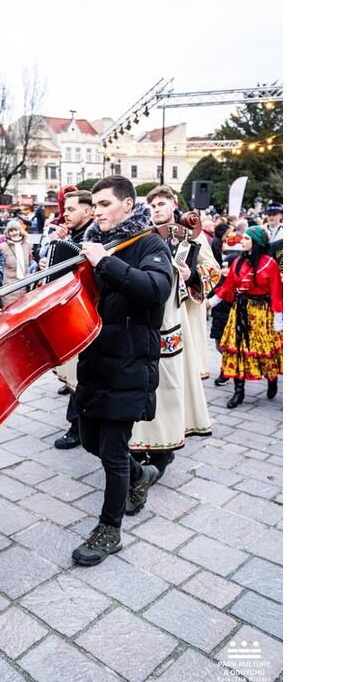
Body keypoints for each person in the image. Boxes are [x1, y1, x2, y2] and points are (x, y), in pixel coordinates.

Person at [71, 176, 173, 566]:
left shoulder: (150, 244)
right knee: (90, 441)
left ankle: (109, 529)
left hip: (130, 363)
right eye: (93, 205)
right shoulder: (101, 244)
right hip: (96, 360)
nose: (96, 211)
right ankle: (140, 476)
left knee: (112, 450)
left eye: (103, 204)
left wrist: (106, 262)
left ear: (128, 205)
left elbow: (155, 289)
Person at [128, 186, 218, 482]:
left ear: (173, 204)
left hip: (180, 318)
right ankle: (147, 442)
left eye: (161, 203)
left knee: (175, 381)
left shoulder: (190, 235)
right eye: (151, 203)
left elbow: (213, 270)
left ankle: (164, 447)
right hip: (152, 319)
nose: (156, 208)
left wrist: (193, 276)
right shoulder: (144, 234)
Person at [207, 225, 283, 408]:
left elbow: (276, 293)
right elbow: (228, 286)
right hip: (240, 312)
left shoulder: (269, 264)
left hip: (262, 314)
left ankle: (271, 379)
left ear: (256, 242)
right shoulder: (238, 262)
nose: (242, 241)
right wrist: (211, 302)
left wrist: (279, 321)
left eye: (247, 239)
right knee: (236, 350)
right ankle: (238, 391)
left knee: (264, 351)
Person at [44, 189, 95, 450]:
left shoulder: (94, 239)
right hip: (71, 313)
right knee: (77, 375)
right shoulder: (69, 237)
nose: (65, 214)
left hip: (87, 315)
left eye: (71, 209)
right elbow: (54, 270)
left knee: (80, 376)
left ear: (88, 211)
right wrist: (50, 254)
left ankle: (77, 427)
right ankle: (80, 424)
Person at [210, 253, 240, 386]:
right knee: (218, 346)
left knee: (226, 348)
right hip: (218, 320)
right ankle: (231, 367)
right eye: (223, 267)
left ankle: (226, 372)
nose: (225, 270)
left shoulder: (235, 284)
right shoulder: (218, 280)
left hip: (229, 320)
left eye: (229, 267)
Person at [0, 218, 34, 307]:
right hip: (10, 287)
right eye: (11, 231)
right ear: (7, 233)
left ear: (20, 231)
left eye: (16, 230)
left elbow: (29, 261)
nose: (14, 233)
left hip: (24, 286)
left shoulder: (27, 245)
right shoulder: (3, 247)